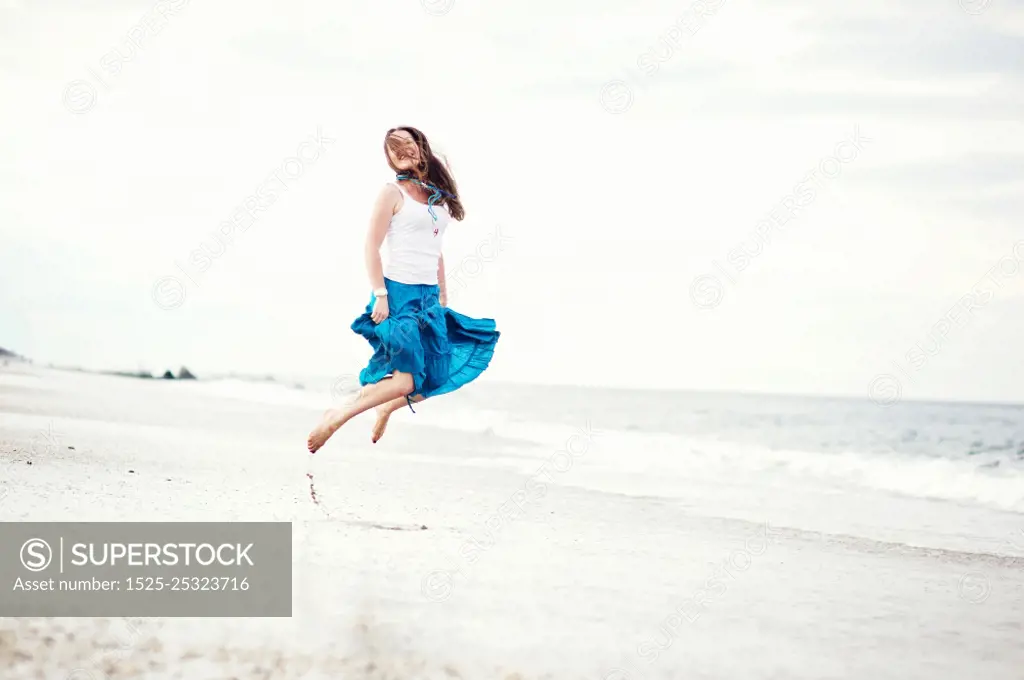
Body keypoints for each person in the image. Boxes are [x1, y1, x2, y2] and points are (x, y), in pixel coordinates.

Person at [307, 126, 500, 453]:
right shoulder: (391, 194)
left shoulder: (435, 196)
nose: (402, 151)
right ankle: (336, 418)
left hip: (428, 298)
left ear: (420, 147)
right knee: (406, 379)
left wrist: (442, 294)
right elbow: (371, 245)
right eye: (394, 148)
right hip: (397, 295)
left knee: (436, 376)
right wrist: (380, 294)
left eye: (407, 144)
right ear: (389, 158)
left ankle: (386, 408)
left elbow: (436, 249)